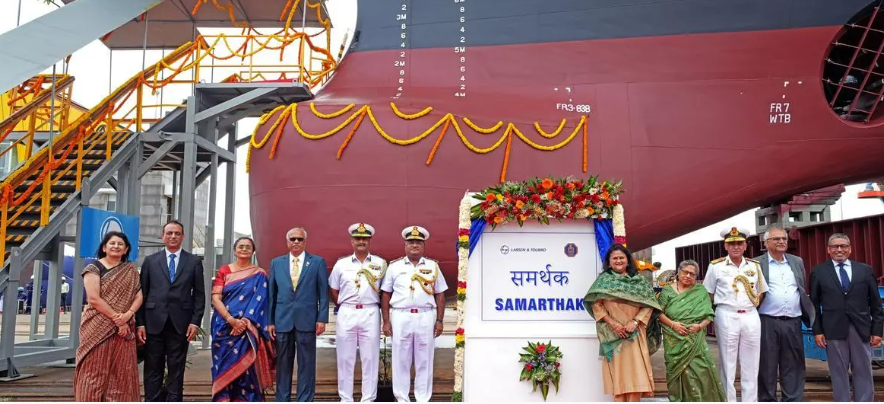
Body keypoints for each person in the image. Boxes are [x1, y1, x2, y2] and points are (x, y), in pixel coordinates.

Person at [136, 220, 206, 402]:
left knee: (176, 368)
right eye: (169, 233)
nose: (173, 236)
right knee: (153, 367)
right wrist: (140, 323)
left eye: (177, 233)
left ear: (182, 236)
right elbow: (141, 294)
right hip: (153, 323)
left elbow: (199, 295)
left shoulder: (193, 262)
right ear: (162, 236)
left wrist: (195, 322)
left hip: (181, 324)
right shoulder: (150, 261)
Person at [809, 233, 883, 402]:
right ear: (828, 250)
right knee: (838, 371)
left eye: (843, 246)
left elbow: (876, 304)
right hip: (833, 330)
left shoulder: (864, 270)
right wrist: (818, 331)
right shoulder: (819, 272)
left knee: (863, 370)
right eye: (835, 246)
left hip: (861, 328)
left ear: (850, 249)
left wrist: (877, 330)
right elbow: (813, 305)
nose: (839, 249)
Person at [584, 244, 661, 402]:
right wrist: (613, 324)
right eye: (615, 258)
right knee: (618, 376)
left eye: (621, 258)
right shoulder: (603, 281)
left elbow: (649, 305)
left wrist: (635, 321)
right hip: (613, 334)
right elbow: (596, 304)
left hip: (635, 333)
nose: (618, 261)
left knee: (636, 375)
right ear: (609, 262)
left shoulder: (638, 281)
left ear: (627, 260)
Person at [381, 226, 448, 402]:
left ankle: (422, 398)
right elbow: (386, 294)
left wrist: (440, 320)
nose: (414, 245)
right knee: (400, 359)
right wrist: (386, 321)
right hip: (401, 316)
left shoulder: (433, 266)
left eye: (418, 242)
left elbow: (440, 293)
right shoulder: (394, 266)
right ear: (405, 245)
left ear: (424, 245)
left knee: (424, 359)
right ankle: (402, 398)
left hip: (425, 316)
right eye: (411, 242)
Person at [73, 231, 142, 401]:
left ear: (126, 250)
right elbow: (93, 298)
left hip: (124, 328)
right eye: (112, 243)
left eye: (120, 244)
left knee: (122, 371)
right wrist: (118, 320)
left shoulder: (130, 271)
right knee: (93, 370)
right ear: (104, 247)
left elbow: (139, 295)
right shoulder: (93, 268)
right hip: (97, 325)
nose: (116, 246)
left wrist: (128, 315)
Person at [703, 227, 768, 402]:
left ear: (745, 245)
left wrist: (750, 305)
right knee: (727, 362)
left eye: (739, 243)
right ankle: (728, 400)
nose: (736, 247)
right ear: (726, 246)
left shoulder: (754, 266)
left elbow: (761, 291)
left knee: (751, 363)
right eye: (732, 244)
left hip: (750, 315)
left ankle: (750, 400)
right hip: (727, 314)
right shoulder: (716, 266)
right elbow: (708, 293)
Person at [267, 227, 329, 402]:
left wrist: (322, 318)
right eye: (292, 239)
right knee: (283, 365)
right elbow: (272, 294)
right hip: (282, 321)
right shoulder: (276, 263)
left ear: (305, 242)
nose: (296, 242)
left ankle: (305, 400)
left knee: (307, 365)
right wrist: (270, 321)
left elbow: (323, 293)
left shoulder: (317, 262)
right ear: (287, 242)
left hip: (307, 321)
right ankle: (282, 399)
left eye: (299, 239)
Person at [210, 237, 275, 401]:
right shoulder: (224, 271)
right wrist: (231, 320)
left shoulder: (259, 274)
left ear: (253, 251)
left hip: (248, 329)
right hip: (223, 326)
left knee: (247, 369)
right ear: (234, 250)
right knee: (223, 364)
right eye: (241, 246)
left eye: (248, 247)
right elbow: (215, 298)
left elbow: (260, 301)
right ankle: (224, 398)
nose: (244, 249)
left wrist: (244, 322)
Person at [330, 223, 387, 401]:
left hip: (370, 312)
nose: (361, 241)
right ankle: (346, 398)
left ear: (370, 240)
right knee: (345, 358)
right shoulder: (341, 264)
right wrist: (342, 303)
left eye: (365, 238)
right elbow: (333, 288)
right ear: (352, 241)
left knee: (370, 358)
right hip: (347, 312)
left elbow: (385, 291)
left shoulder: (380, 264)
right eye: (357, 238)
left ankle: (368, 399)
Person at [754, 227, 813, 402]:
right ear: (766, 243)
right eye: (776, 239)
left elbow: (801, 288)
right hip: (767, 321)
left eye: (784, 239)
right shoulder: (756, 263)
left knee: (793, 364)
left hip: (793, 322)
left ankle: (793, 400)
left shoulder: (796, 262)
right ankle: (767, 400)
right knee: (767, 365)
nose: (781, 242)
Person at [658, 260, 725, 402]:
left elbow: (709, 314)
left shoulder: (700, 291)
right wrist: (673, 325)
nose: (688, 276)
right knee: (676, 374)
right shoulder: (667, 291)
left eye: (692, 274)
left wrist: (700, 326)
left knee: (701, 371)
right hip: (674, 340)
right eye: (685, 272)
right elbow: (658, 313)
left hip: (695, 338)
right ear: (679, 272)